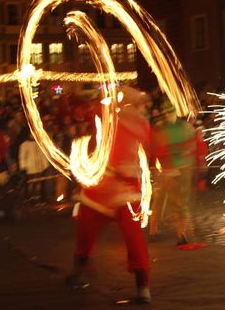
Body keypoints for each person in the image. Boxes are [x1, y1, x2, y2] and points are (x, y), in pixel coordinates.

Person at [65, 87, 152, 304]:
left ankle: (143, 288)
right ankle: (141, 288)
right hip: (105, 186)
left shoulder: (131, 122)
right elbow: (89, 112)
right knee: (88, 231)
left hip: (119, 189)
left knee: (132, 240)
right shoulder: (116, 118)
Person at [149, 100, 201, 248]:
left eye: (170, 112)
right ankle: (156, 228)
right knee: (163, 200)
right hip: (168, 169)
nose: (168, 115)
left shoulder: (183, 127)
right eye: (167, 113)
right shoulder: (163, 129)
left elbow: (191, 145)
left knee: (178, 201)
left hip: (178, 168)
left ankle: (181, 233)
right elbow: (157, 148)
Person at [18, 132, 50, 202]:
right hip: (30, 168)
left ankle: (37, 197)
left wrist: (45, 165)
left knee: (39, 183)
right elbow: (22, 156)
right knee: (31, 184)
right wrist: (23, 167)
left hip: (39, 168)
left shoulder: (39, 143)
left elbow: (43, 155)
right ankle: (31, 198)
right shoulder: (24, 145)